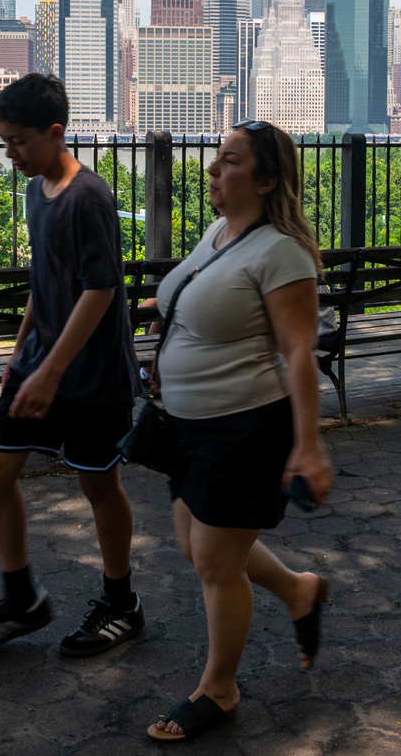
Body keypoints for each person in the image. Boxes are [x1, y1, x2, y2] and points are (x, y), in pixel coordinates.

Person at [146, 120, 336, 742]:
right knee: (194, 544)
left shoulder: (282, 253)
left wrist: (308, 446)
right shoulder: (220, 234)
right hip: (186, 423)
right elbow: (201, 302)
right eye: (216, 158)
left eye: (230, 161)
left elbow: (299, 352)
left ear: (266, 180)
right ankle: (299, 591)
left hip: (244, 426)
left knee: (215, 562)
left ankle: (219, 689)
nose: (213, 170)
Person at [0, 73, 145, 659]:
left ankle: (122, 604)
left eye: (19, 141)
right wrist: (21, 354)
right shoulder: (37, 191)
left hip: (92, 373)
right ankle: (22, 599)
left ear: (55, 132)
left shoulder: (89, 197)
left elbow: (100, 290)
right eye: (4, 141)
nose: (10, 153)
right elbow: (45, 279)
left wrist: (50, 372)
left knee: (98, 483)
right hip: (41, 362)